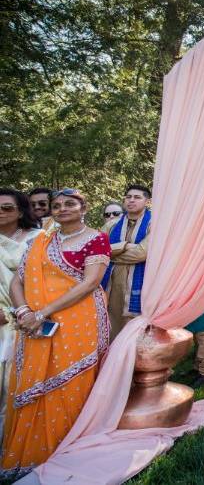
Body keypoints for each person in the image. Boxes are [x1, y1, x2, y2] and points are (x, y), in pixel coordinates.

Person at [3, 188, 111, 475]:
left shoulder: (96, 238)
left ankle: (71, 447)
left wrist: (42, 313)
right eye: (57, 205)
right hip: (36, 322)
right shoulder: (42, 240)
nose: (62, 208)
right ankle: (34, 450)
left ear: (83, 207)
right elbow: (17, 281)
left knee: (73, 383)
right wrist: (24, 311)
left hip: (81, 320)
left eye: (70, 203)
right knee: (37, 379)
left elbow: (89, 283)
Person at [0, 190, 40, 437]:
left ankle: (12, 443)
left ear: (21, 211)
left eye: (7, 208)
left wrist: (20, 311)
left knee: (14, 386)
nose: (0, 212)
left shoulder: (39, 239)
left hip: (25, 318)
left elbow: (45, 282)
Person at [101, 184, 152, 339]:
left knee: (135, 328)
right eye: (128, 197)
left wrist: (111, 253)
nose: (131, 200)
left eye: (137, 197)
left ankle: (135, 362)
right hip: (111, 284)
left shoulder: (153, 223)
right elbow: (97, 251)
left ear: (147, 202)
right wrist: (124, 246)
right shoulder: (111, 225)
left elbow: (142, 253)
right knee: (110, 323)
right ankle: (111, 361)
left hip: (141, 283)